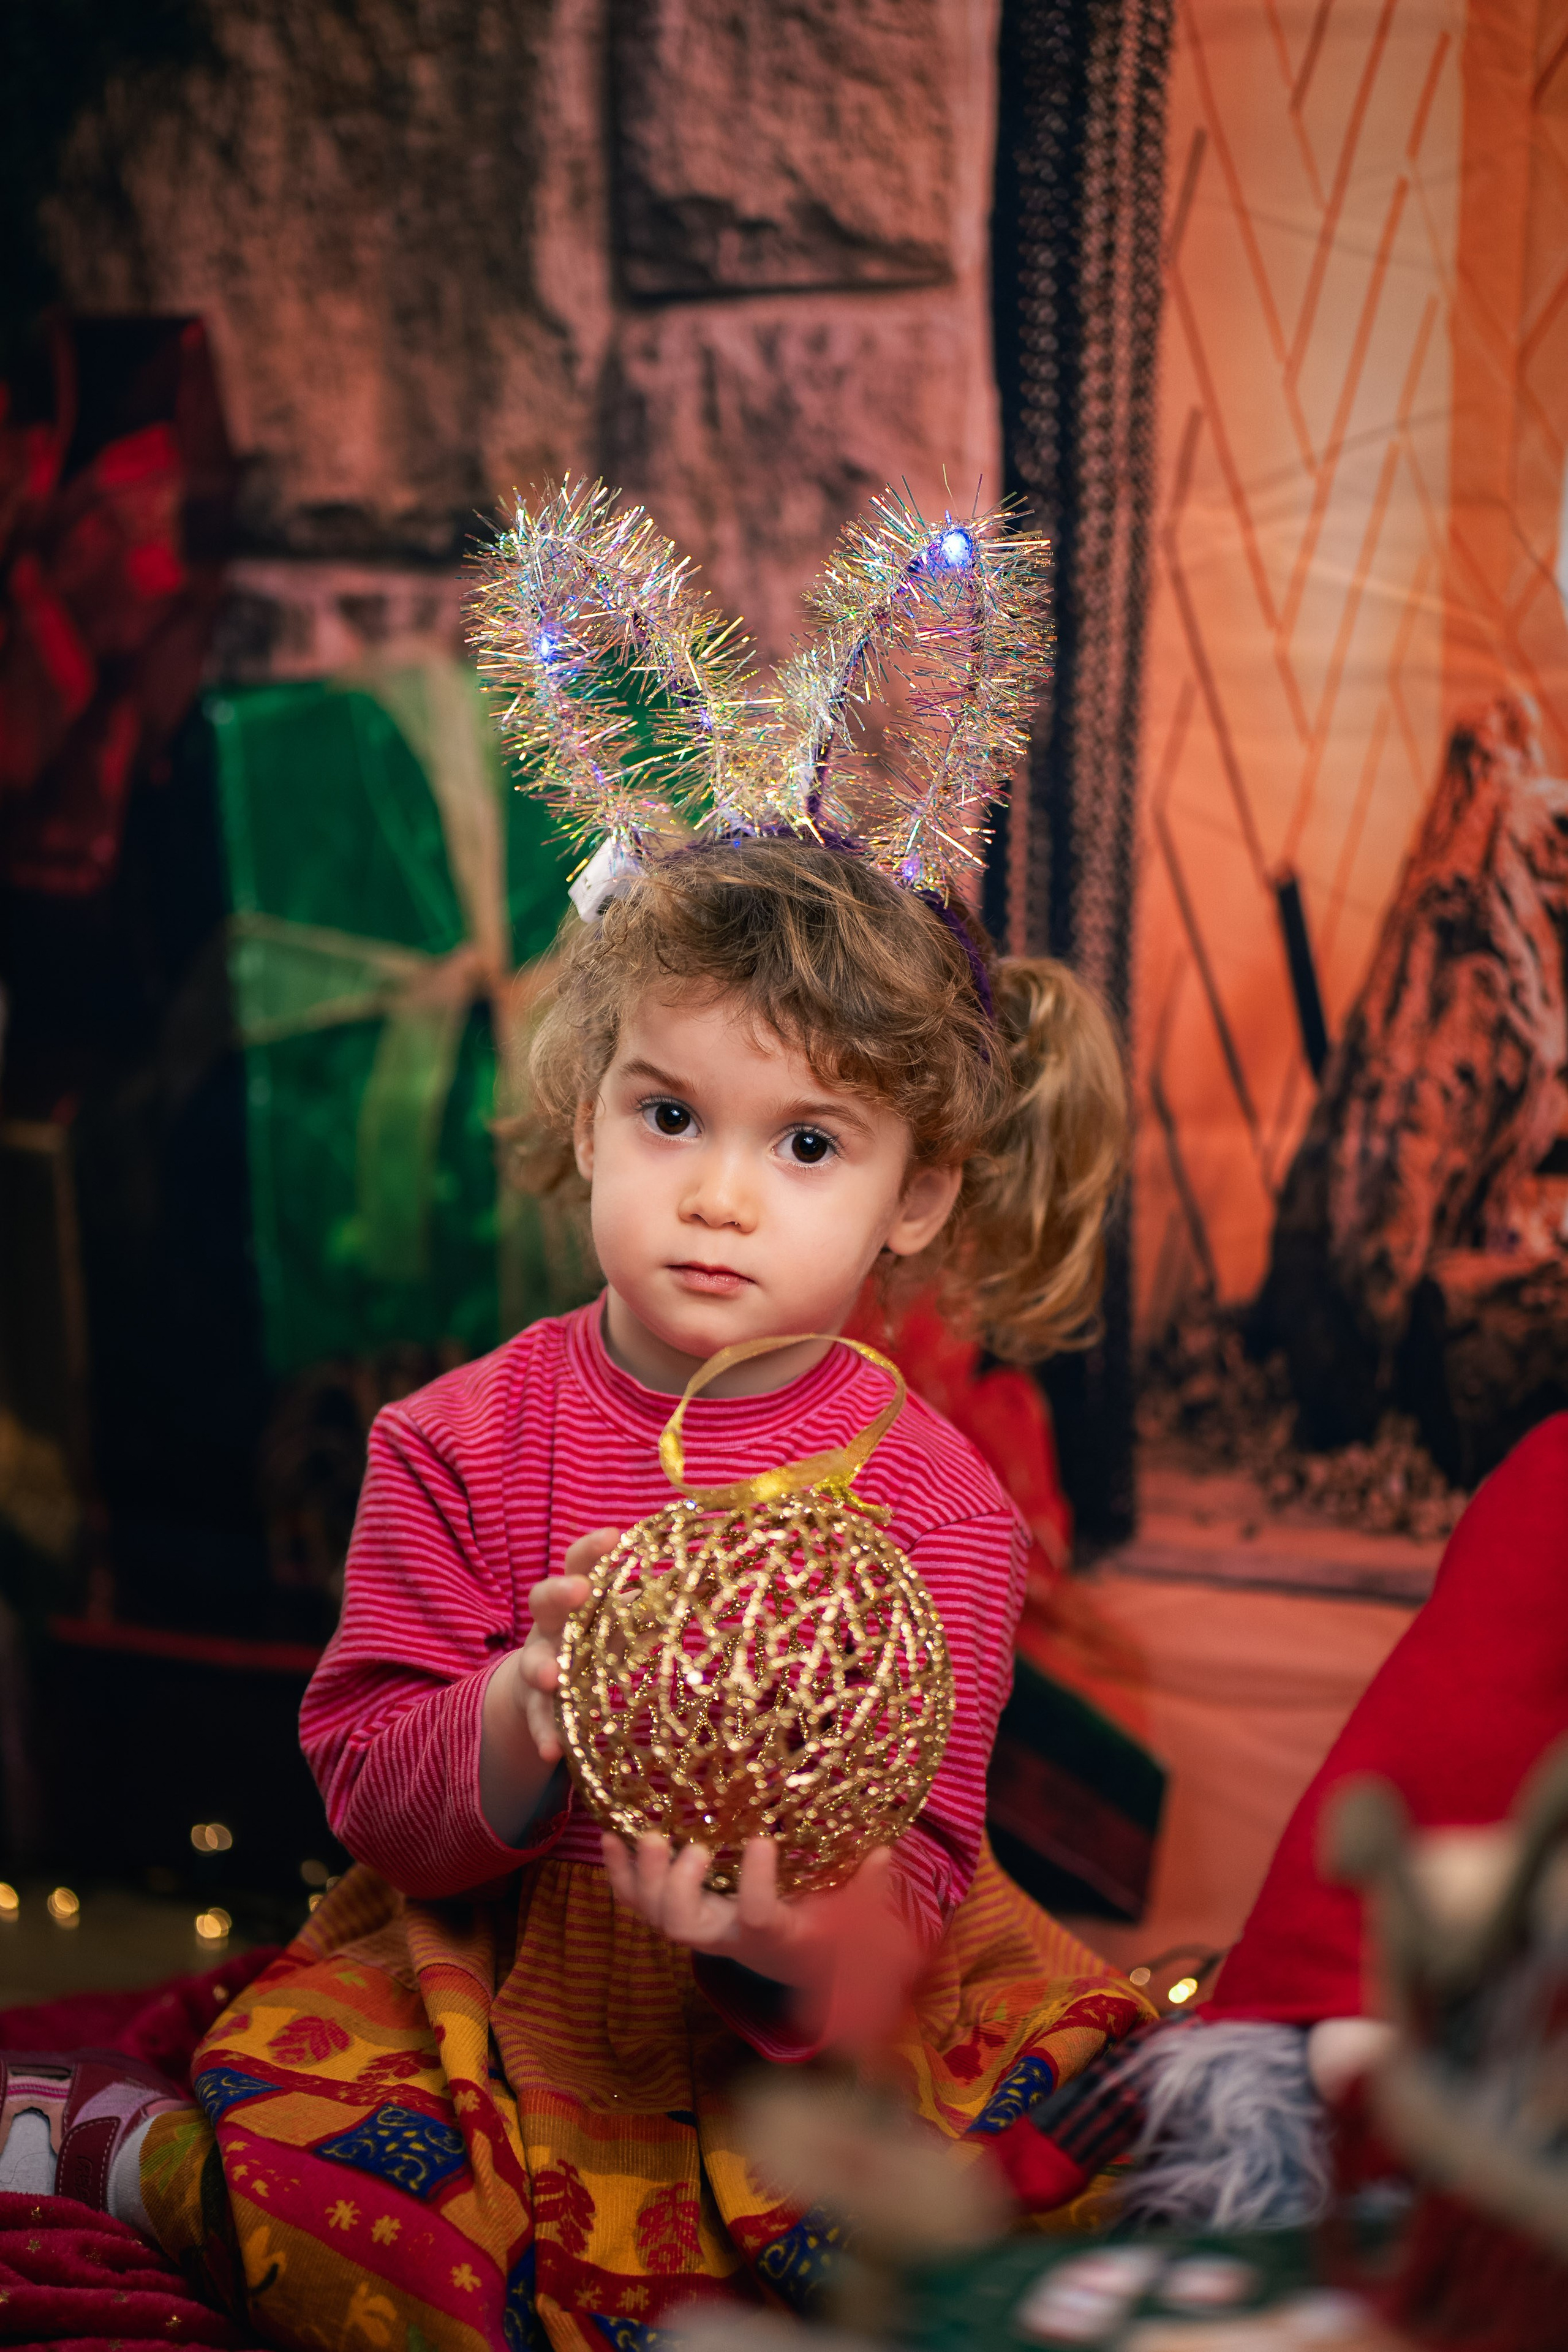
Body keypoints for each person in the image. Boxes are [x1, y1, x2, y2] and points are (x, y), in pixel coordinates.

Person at [0, 834, 1149, 2348]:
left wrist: (778, 1936)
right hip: (499, 1968)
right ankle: (133, 2157)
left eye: (806, 1144)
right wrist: (514, 1711)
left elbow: (923, 1873)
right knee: (382, 2242)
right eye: (672, 1115)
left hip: (814, 2013)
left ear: (915, 1196)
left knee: (1063, 2199)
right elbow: (368, 1791)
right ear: (587, 1115)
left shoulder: (944, 1509)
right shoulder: (457, 1440)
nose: (722, 1197)